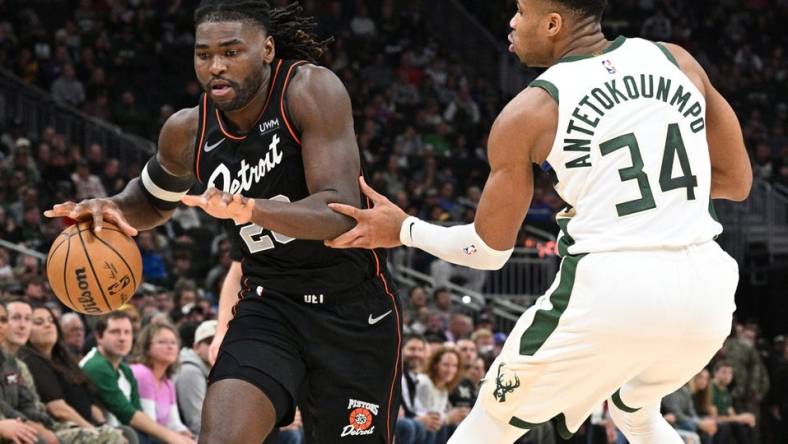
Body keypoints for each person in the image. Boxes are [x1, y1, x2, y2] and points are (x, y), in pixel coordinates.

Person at [324, 0, 752, 442]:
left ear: (552, 23)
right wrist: (649, 204)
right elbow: (737, 181)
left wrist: (404, 229)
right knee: (636, 411)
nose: (511, 21)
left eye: (520, 11)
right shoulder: (676, 59)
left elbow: (488, 252)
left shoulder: (531, 111)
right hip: (709, 293)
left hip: (614, 290)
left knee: (489, 422)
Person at [45, 1, 401, 442]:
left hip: (351, 309)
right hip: (271, 306)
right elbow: (152, 200)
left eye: (232, 53)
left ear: (267, 49)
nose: (216, 66)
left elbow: (338, 212)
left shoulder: (310, 90)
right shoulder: (187, 131)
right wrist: (113, 206)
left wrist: (250, 208)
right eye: (204, 54)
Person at [19, 305, 132, 444]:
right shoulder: (31, 361)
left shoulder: (64, 358)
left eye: (51, 320)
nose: (48, 325)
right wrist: (95, 432)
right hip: (61, 428)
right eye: (39, 322)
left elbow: (90, 403)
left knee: (126, 432)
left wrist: (103, 425)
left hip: (85, 425)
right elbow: (58, 410)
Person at [80, 312, 194, 444]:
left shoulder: (125, 370)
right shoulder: (96, 365)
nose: (122, 338)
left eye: (127, 332)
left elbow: (137, 413)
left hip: (124, 435)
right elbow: (127, 413)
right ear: (99, 337)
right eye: (115, 332)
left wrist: (181, 435)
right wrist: (172, 437)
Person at [130, 323, 192, 439]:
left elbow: (174, 423)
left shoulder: (167, 382)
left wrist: (185, 434)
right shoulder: (142, 373)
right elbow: (150, 425)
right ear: (147, 348)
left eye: (173, 342)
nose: (170, 347)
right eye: (162, 342)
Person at [175, 320, 215, 436]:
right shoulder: (191, 371)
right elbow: (197, 422)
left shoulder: (209, 368)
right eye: (209, 342)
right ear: (196, 346)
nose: (215, 346)